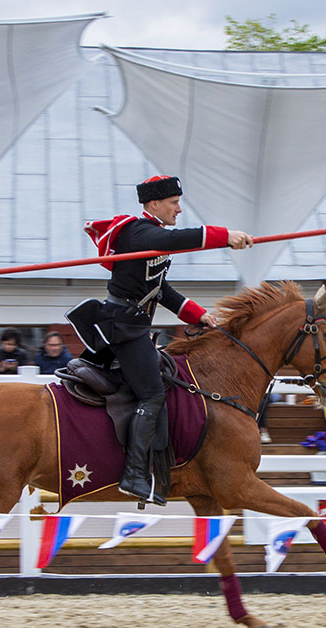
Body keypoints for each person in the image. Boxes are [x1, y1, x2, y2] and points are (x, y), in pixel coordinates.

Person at [65, 175, 253, 506]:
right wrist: (227, 237)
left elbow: (159, 289)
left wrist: (197, 314)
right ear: (154, 205)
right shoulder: (139, 233)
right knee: (152, 395)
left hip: (136, 326)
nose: (179, 210)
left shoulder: (153, 238)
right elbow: (181, 239)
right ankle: (135, 474)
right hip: (125, 329)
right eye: (174, 203)